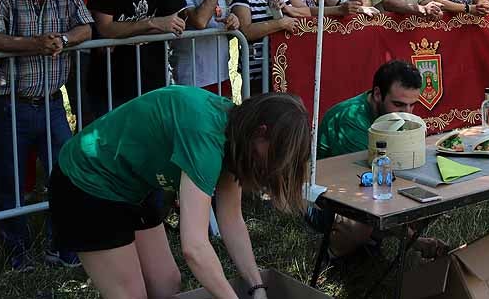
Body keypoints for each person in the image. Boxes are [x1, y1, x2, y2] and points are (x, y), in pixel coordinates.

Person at [49, 87, 310, 299]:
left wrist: (257, 288)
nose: (271, 170)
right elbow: (195, 247)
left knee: (166, 285)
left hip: (135, 185)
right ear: (261, 133)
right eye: (275, 158)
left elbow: (231, 221)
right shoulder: (206, 137)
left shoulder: (238, 139)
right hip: (87, 183)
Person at [0, 0, 93, 271]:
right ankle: (17, 251)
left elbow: (85, 28)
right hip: (10, 103)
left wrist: (62, 38)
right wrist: (34, 44)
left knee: (66, 175)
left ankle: (62, 245)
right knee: (11, 182)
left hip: (52, 103)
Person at [315, 61, 443, 259]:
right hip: (323, 201)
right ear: (377, 94)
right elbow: (372, 185)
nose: (407, 113)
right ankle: (333, 254)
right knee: (363, 222)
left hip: (359, 187)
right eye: (399, 104)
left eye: (412, 105)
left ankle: (375, 238)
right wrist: (416, 242)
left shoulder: (392, 115)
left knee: (431, 194)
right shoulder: (350, 121)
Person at [230, 0, 303, 92]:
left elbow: (304, 11)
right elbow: (246, 31)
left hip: (289, 69)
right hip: (257, 76)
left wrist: (288, 10)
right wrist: (281, 23)